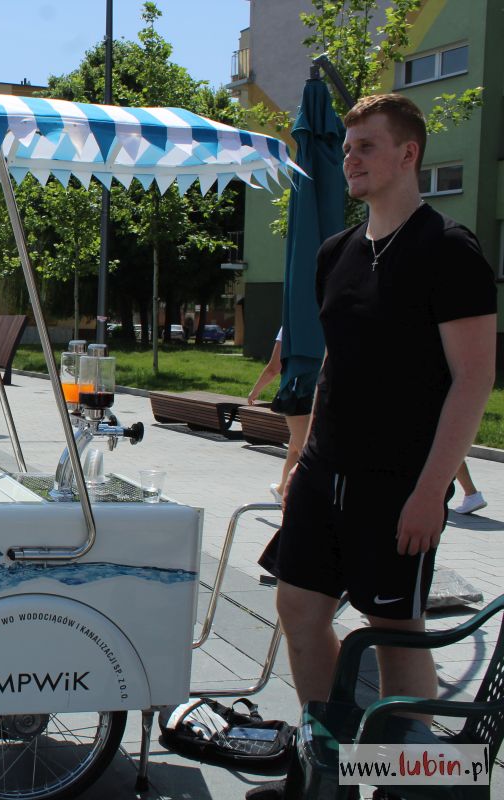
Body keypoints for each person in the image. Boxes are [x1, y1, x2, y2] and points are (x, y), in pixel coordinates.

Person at [249, 94, 496, 799]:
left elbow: (474, 380)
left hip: (399, 483)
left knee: (396, 631)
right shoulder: (337, 253)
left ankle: (406, 786)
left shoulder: (448, 250)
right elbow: (334, 366)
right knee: (299, 609)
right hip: (327, 473)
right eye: (347, 147)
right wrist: (298, 465)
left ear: (408, 154)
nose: (351, 158)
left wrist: (431, 491)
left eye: (366, 147)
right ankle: (330, 770)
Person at [247, 327, 313, 504]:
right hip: (324, 392)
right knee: (294, 445)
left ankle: (296, 502)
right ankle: (282, 489)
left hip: (302, 395)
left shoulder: (289, 326)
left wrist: (255, 391)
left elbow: (274, 367)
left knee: (306, 454)